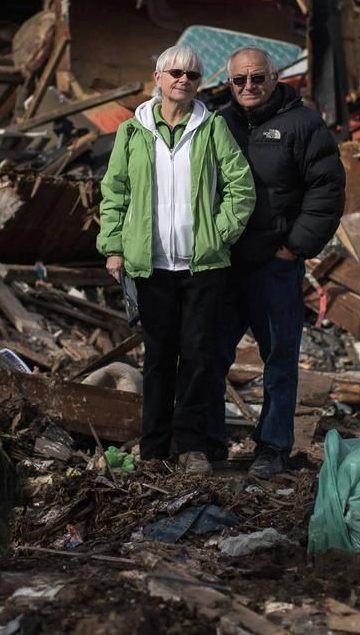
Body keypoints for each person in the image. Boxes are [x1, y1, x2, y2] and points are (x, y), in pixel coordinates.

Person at [97, 44, 256, 475]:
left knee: (198, 356)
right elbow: (115, 192)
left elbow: (241, 188)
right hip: (151, 266)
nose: (183, 80)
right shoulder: (133, 132)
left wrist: (218, 234)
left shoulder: (212, 128)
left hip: (201, 266)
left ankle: (190, 447)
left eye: (192, 75)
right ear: (158, 78)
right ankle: (154, 449)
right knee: (159, 358)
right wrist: (113, 246)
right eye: (175, 73)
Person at [209, 46, 344, 478]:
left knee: (279, 362)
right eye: (239, 80)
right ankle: (211, 444)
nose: (249, 86)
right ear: (229, 83)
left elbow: (327, 190)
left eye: (257, 78)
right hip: (225, 265)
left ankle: (272, 449)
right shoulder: (219, 124)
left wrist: (293, 247)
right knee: (210, 356)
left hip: (275, 267)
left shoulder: (302, 123)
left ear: (274, 77)